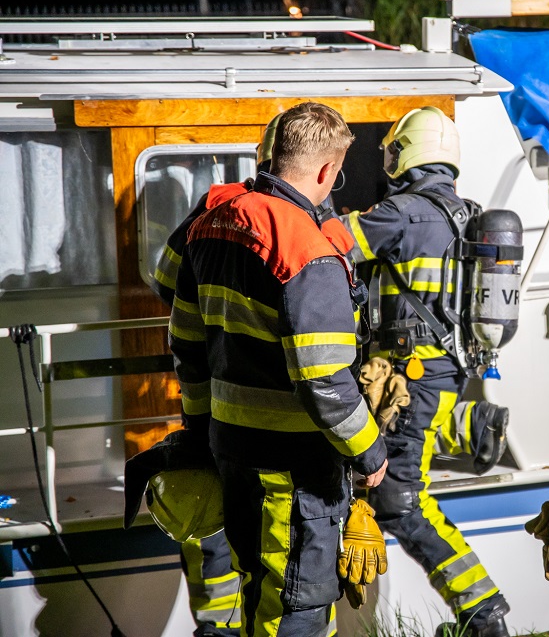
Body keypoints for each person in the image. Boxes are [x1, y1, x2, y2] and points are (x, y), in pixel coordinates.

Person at [168, 101, 388, 637]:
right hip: (293, 473)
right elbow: (324, 382)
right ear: (326, 171)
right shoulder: (308, 251)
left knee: (256, 596)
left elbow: (187, 344)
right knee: (296, 612)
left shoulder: (210, 223)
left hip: (232, 453)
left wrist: (201, 429)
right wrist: (368, 451)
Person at [339, 106, 511, 637]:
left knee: (400, 500)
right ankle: (470, 425)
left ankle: (483, 614)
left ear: (406, 155)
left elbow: (333, 246)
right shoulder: (469, 213)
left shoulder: (401, 214)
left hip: (409, 381)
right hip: (444, 372)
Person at [146, 114, 285, 637]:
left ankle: (215, 626)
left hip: (211, 391)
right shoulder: (316, 221)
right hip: (285, 411)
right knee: (278, 543)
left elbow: (164, 281)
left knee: (213, 501)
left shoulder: (217, 207)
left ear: (261, 157)